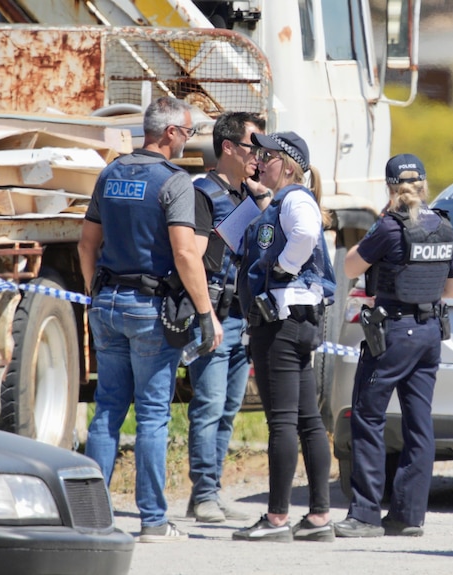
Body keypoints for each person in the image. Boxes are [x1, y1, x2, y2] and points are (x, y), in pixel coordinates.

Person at [77, 96, 223, 543]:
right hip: (149, 310)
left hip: (108, 304)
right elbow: (184, 253)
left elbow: (86, 243)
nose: (191, 139)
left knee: (107, 412)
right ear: (170, 133)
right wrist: (206, 313)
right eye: (188, 131)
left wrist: (93, 293)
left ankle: (92, 518)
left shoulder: (112, 172)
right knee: (153, 416)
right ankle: (154, 521)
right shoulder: (174, 183)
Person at [333, 153, 453, 538]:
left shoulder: (389, 227)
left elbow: (350, 268)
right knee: (419, 424)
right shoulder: (443, 225)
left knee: (368, 418)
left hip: (394, 333)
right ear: (423, 185)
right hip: (430, 334)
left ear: (390, 188)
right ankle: (408, 515)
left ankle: (366, 515)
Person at [232, 131, 337, 543]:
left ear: (289, 164)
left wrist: (283, 269)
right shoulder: (284, 199)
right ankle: (318, 517)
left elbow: (306, 234)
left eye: (267, 155)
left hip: (281, 320)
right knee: (308, 420)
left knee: (282, 421)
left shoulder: (295, 199)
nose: (260, 160)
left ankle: (276, 519)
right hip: (298, 319)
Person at [186, 111, 268, 523]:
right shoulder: (202, 193)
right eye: (253, 146)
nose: (259, 155)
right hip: (216, 315)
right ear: (229, 148)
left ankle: (212, 491)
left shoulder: (246, 196)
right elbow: (194, 258)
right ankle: (202, 494)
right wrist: (206, 316)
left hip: (242, 317)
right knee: (209, 405)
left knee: (229, 408)